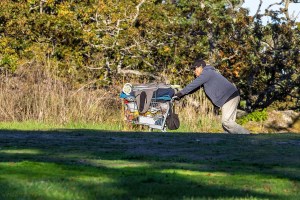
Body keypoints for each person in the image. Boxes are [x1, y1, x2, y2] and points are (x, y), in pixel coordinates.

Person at [173, 59, 250, 134]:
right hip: (231, 96)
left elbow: (192, 86)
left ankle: (246, 135)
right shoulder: (208, 73)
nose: (194, 71)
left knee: (226, 122)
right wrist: (180, 96)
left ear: (200, 67)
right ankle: (232, 144)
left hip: (229, 97)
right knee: (228, 126)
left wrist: (179, 94)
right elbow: (194, 89)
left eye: (194, 68)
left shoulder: (206, 73)